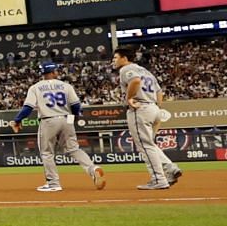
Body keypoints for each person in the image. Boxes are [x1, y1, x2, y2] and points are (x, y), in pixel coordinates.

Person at [12, 61, 104, 192]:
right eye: (56, 70)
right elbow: (76, 107)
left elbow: (28, 108)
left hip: (48, 120)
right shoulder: (66, 86)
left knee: (47, 153)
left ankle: (53, 183)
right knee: (74, 149)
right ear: (53, 72)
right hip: (67, 119)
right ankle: (92, 169)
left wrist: (17, 120)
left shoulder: (35, 87)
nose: (57, 72)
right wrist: (74, 118)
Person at [113, 47, 181, 190]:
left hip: (140, 109)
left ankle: (159, 179)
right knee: (149, 144)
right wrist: (156, 107)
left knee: (145, 146)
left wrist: (129, 98)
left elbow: (135, 81)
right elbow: (159, 92)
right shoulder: (146, 71)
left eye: (115, 57)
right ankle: (170, 167)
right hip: (153, 107)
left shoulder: (126, 69)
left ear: (124, 58)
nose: (113, 60)